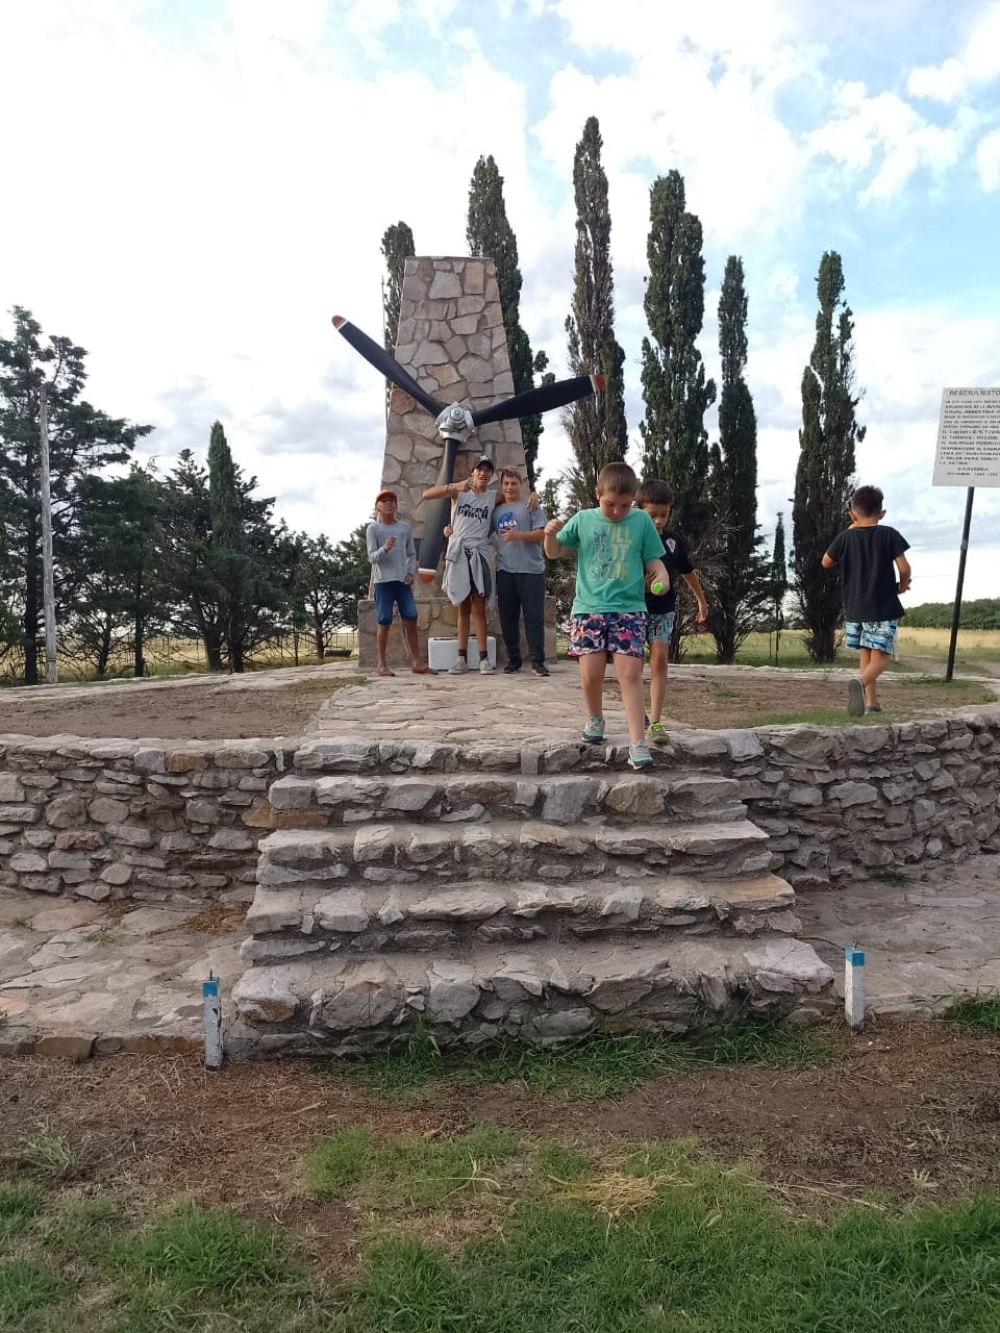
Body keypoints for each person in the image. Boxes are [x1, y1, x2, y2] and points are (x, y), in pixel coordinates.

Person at [544, 461, 669, 770]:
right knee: (592, 674)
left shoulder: (641, 521)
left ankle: (637, 742)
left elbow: (656, 562)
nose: (617, 511)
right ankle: (595, 720)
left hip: (629, 611)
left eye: (625, 505)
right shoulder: (583, 520)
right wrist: (549, 535)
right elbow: (554, 552)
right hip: (589, 610)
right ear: (597, 494)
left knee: (630, 674)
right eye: (610, 504)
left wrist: (662, 579)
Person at [822, 484, 912, 716]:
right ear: (881, 513)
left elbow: (825, 562)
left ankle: (871, 703)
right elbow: (904, 568)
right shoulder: (889, 534)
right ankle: (860, 684)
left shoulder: (845, 538)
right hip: (882, 606)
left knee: (867, 653)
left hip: (855, 607)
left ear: (852, 513)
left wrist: (850, 530)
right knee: (882, 657)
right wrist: (901, 587)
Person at [635, 478, 708, 744]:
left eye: (663, 515)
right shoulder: (632, 540)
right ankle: (637, 712)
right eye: (651, 514)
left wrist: (701, 600)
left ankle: (655, 722)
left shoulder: (673, 542)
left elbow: (687, 571)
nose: (658, 521)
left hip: (663, 610)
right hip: (633, 610)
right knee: (632, 665)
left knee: (660, 659)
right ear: (639, 510)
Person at [423, 455, 500, 675]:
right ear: (473, 471)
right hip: (459, 555)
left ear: (491, 475)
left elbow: (514, 497)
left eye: (487, 470)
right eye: (480, 469)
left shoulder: (493, 497)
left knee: (479, 606)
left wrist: (532, 495)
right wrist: (453, 486)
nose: (483, 474)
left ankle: (484, 659)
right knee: (462, 606)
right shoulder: (459, 492)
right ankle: (461, 658)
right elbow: (427, 494)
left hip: (479, 555)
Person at [366, 489, 432, 677]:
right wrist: (385, 549)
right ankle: (381, 665)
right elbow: (371, 558)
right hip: (383, 581)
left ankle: (417, 663)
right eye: (384, 500)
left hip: (403, 582)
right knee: (384, 620)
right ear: (377, 506)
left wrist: (411, 572)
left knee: (411, 617)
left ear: (396, 505)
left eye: (392, 501)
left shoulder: (404, 528)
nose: (388, 503)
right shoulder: (373, 529)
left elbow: (411, 554)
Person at [491, 468, 549, 677]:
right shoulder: (495, 510)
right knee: (508, 619)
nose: (509, 487)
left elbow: (543, 534)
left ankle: (537, 662)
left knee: (534, 618)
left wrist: (518, 535)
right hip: (505, 571)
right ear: (501, 485)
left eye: (513, 483)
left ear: (520, 485)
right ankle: (513, 660)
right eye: (506, 483)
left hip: (531, 571)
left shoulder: (531, 506)